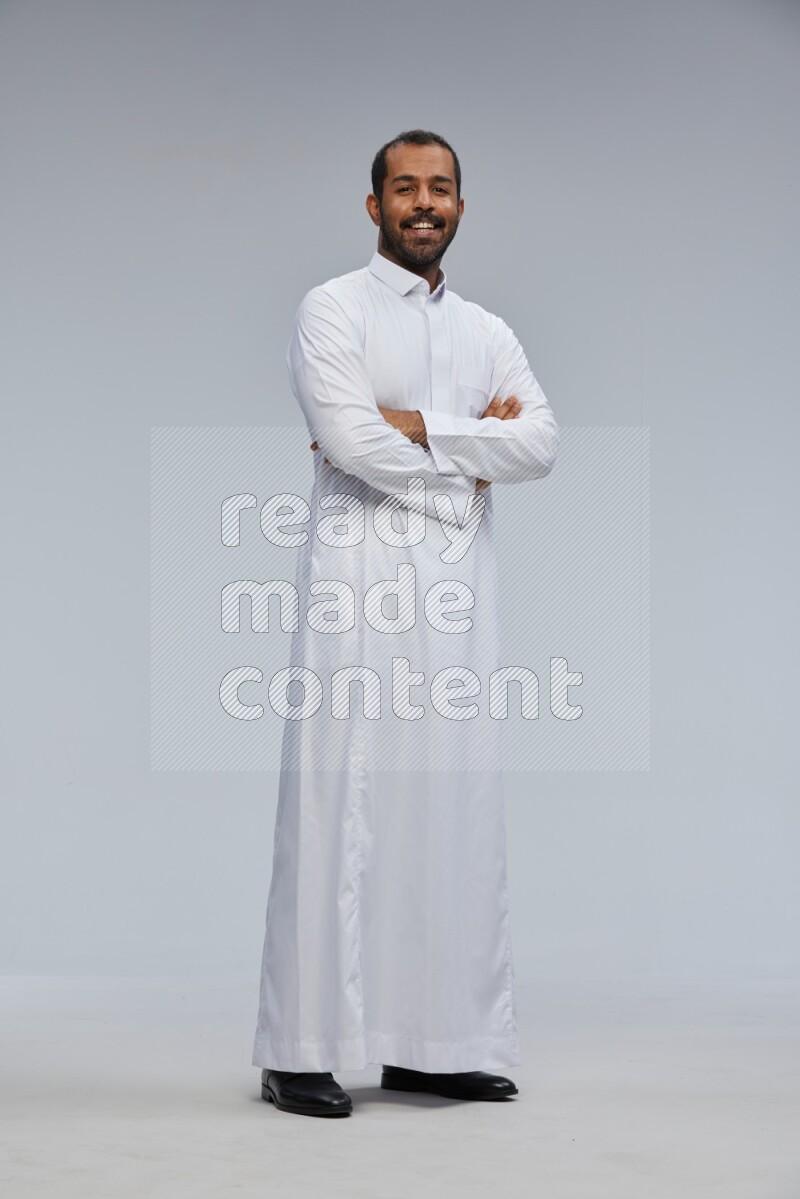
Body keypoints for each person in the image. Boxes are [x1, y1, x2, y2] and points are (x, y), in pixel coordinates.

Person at [252, 129, 559, 1117]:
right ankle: (299, 1047)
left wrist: (422, 427)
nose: (421, 202)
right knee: (335, 796)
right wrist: (467, 468)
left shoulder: (486, 331)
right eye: (402, 187)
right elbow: (345, 438)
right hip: (352, 576)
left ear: (460, 207)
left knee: (447, 804)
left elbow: (541, 441)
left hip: (454, 596)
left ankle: (433, 1042)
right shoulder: (330, 308)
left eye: (439, 188)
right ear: (373, 203)